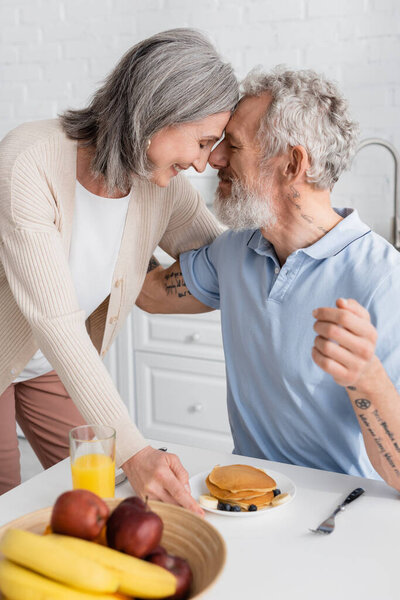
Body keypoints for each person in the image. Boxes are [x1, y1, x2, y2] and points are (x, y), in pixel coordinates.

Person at [0, 28, 239, 508]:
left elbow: (224, 256)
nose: (201, 164)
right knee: (9, 510)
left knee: (101, 497)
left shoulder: (161, 187)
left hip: (51, 367)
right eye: (203, 142)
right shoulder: (30, 160)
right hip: (26, 348)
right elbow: (56, 320)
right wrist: (134, 448)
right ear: (159, 113)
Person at [137, 66, 400, 491]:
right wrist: (126, 201)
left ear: (293, 163)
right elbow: (149, 295)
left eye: (233, 145)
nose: (214, 158)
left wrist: (365, 375)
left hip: (342, 508)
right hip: (249, 494)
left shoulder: (384, 280)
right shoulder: (236, 250)